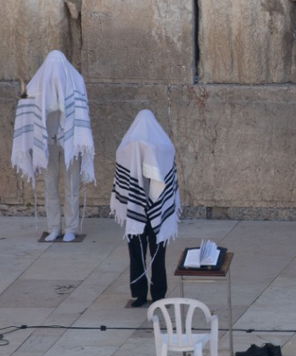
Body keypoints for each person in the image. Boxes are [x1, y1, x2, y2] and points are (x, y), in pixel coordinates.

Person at [13, 50, 95, 242]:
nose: (55, 71)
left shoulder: (76, 81)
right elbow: (27, 105)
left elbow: (80, 111)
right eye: (51, 66)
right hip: (48, 142)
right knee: (50, 185)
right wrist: (28, 95)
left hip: (71, 141)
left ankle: (71, 228)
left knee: (72, 185)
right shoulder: (38, 84)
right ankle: (53, 227)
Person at [110, 110, 180, 308]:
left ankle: (139, 295)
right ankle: (158, 295)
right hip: (156, 209)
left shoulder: (127, 146)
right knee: (158, 254)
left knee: (136, 253)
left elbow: (121, 171)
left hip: (135, 207)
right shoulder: (165, 146)